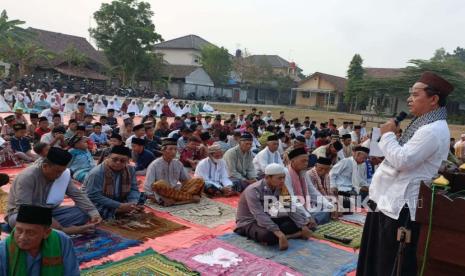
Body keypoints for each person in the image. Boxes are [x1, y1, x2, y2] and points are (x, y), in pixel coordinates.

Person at [357, 72, 453, 276]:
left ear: (433, 99)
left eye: (415, 94)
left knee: (388, 261)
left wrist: (388, 134)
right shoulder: (424, 124)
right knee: (376, 257)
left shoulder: (432, 130)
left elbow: (404, 160)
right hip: (386, 201)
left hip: (400, 206)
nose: (409, 99)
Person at [6, 147, 101, 235]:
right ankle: (64, 231)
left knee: (84, 213)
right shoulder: (28, 176)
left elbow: (77, 194)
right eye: (57, 171)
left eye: (62, 171)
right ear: (45, 166)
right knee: (23, 222)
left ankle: (51, 230)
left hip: (50, 212)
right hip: (22, 214)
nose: (59, 175)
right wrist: (60, 228)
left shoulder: (62, 174)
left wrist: (93, 213)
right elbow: (25, 208)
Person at [234, 163, 313, 250]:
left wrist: (303, 226)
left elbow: (289, 207)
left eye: (284, 178)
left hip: (268, 216)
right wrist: (279, 233)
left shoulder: (281, 187)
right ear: (267, 177)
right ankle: (289, 236)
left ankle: (286, 236)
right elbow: (259, 214)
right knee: (268, 236)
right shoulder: (253, 190)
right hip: (250, 221)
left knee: (303, 221)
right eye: (279, 178)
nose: (282, 181)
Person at [0, 205, 80, 275]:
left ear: (46, 233)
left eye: (30, 233)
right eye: (19, 231)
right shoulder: (3, 249)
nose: (22, 237)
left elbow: (71, 272)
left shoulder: (61, 241)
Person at [83, 145, 142, 220]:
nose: (118, 163)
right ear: (108, 158)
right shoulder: (97, 172)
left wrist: (132, 203)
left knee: (142, 196)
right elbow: (93, 195)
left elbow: (133, 188)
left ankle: (124, 210)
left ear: (127, 162)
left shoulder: (130, 169)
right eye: (115, 159)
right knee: (92, 209)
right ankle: (118, 211)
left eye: (122, 161)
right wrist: (119, 205)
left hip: (118, 198)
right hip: (98, 200)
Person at [144, 138, 204, 206]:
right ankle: (188, 198)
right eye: (170, 149)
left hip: (176, 190)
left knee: (199, 180)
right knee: (159, 184)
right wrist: (160, 199)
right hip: (162, 192)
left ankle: (179, 199)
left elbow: (186, 180)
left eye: (175, 149)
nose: (173, 152)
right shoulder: (154, 165)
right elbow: (148, 188)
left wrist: (191, 186)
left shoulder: (178, 163)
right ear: (163, 151)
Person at [284, 148, 332, 225]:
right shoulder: (285, 174)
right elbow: (291, 199)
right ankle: (309, 223)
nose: (306, 163)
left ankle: (310, 222)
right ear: (292, 161)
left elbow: (313, 192)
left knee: (328, 209)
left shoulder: (303, 173)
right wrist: (307, 215)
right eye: (303, 161)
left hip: (306, 208)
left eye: (307, 161)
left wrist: (330, 206)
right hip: (290, 210)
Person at [329, 146, 369, 210]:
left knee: (369, 196)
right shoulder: (346, 161)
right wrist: (333, 186)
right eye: (364, 158)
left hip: (351, 190)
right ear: (357, 154)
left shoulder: (359, 165)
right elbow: (332, 174)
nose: (365, 160)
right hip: (342, 189)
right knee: (353, 203)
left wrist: (367, 186)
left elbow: (359, 179)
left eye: (366, 158)